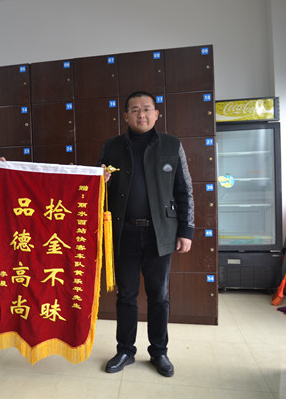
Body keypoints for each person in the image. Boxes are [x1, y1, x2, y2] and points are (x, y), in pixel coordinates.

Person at [98, 91, 194, 377]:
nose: (142, 114)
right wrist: (101, 182)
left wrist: (186, 230)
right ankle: (125, 350)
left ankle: (159, 352)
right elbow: (96, 192)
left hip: (159, 233)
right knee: (126, 295)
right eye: (135, 109)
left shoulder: (171, 145)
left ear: (156, 114)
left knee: (159, 296)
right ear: (125, 116)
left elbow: (184, 190)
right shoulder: (112, 146)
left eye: (147, 109)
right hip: (123, 232)